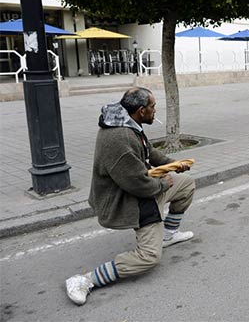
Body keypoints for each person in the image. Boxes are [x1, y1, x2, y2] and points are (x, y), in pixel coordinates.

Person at [65, 87, 195, 305]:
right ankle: (84, 280)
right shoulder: (120, 138)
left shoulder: (128, 121)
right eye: (153, 106)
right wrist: (163, 183)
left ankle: (169, 235)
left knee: (186, 185)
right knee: (149, 257)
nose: (156, 110)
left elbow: (149, 153)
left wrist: (173, 165)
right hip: (129, 199)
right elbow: (137, 184)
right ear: (142, 110)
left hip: (143, 187)